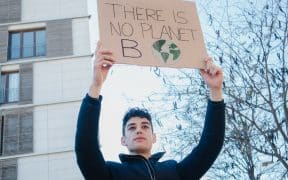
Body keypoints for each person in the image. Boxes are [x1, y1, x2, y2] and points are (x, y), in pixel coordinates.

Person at [75, 42, 225, 180]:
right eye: (132, 127)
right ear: (123, 140)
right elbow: (85, 148)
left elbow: (210, 145)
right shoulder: (111, 173)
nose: (139, 130)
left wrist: (216, 90)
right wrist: (96, 86)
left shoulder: (175, 171)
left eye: (145, 126)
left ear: (153, 137)